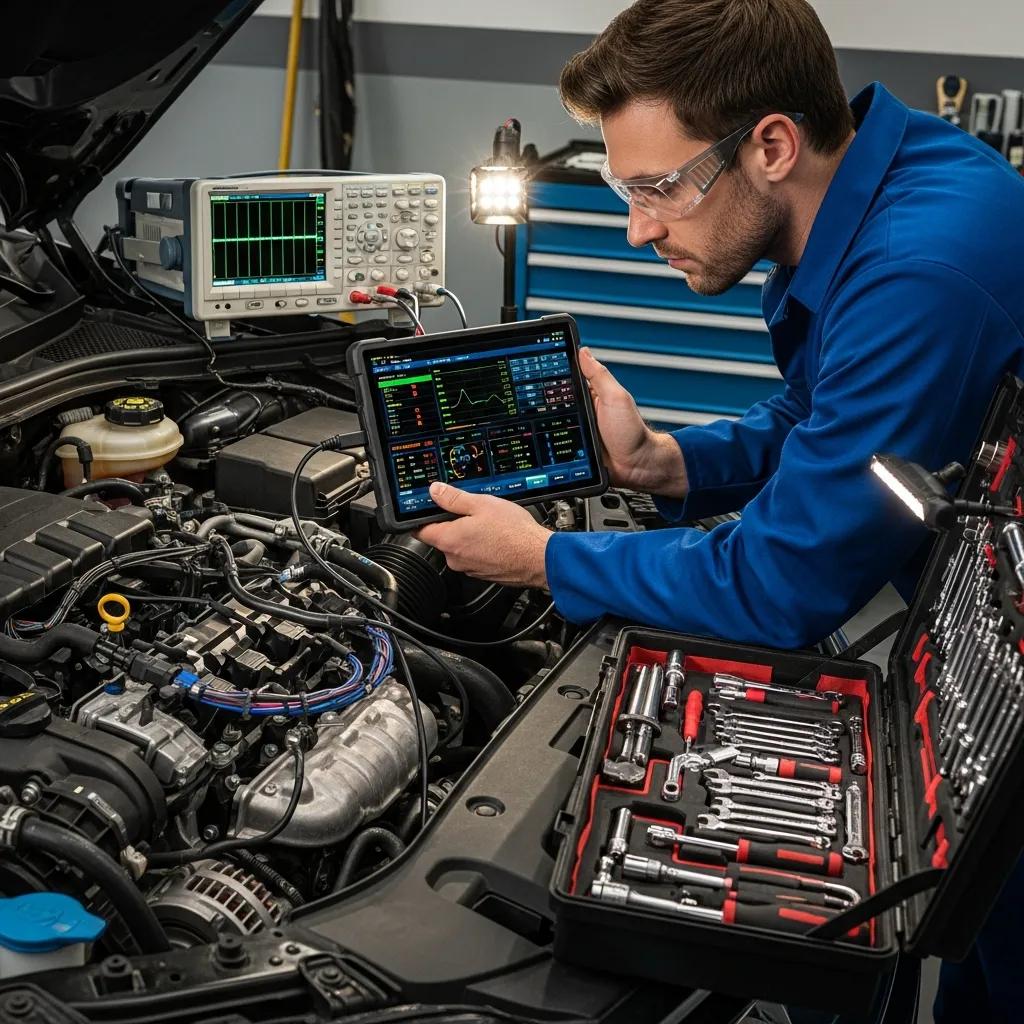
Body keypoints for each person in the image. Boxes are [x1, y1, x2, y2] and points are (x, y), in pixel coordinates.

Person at [414, 3, 1024, 1018]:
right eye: (624, 187)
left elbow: (777, 587)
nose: (638, 226)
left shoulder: (919, 268)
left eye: (658, 187)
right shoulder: (895, 169)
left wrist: (545, 560)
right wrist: (665, 462)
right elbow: (822, 413)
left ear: (772, 145)